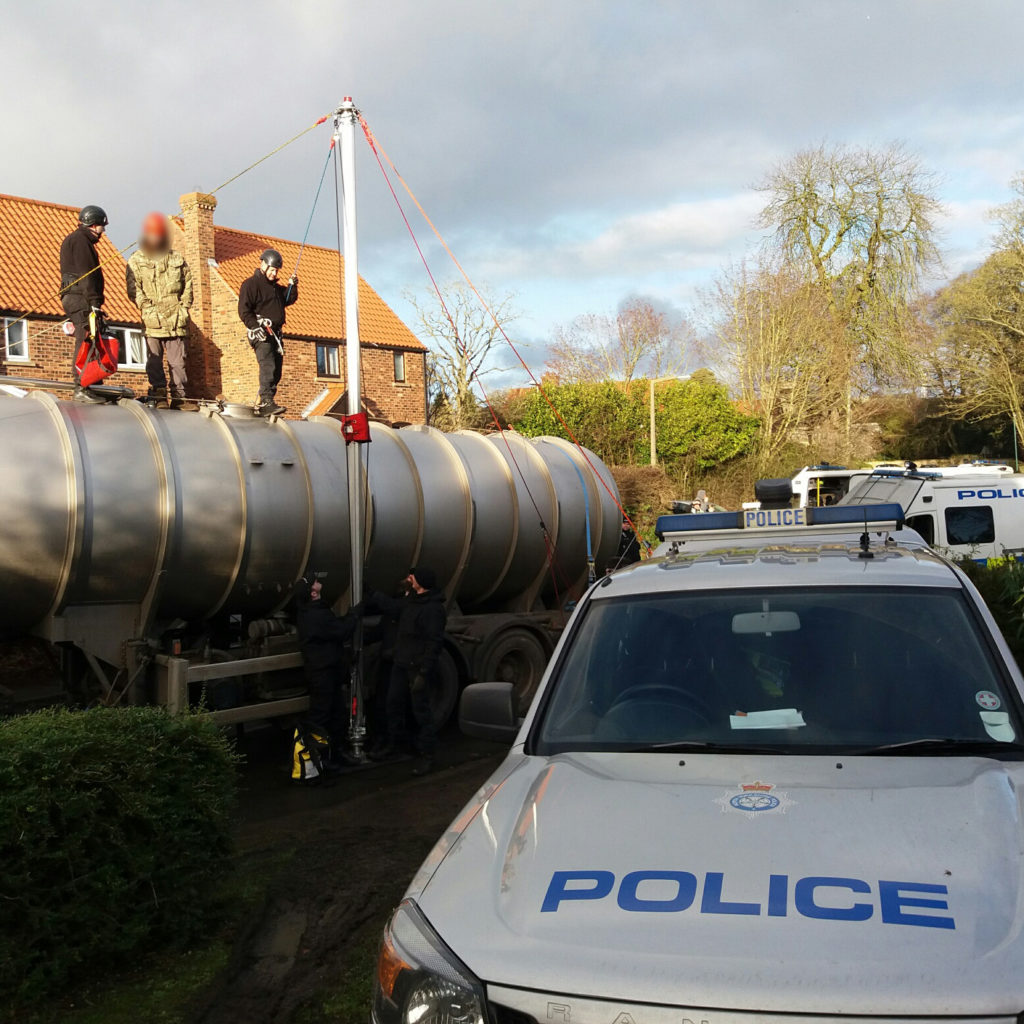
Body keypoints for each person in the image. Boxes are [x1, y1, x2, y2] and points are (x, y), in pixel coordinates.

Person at [368, 567, 447, 775]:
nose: (409, 579)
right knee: (392, 705)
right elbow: (393, 607)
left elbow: (434, 643)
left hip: (416, 668)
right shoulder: (411, 601)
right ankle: (396, 745)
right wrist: (373, 594)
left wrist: (423, 673)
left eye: (412, 577)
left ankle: (427, 755)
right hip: (401, 665)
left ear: (421, 582)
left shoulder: (433, 610)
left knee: (421, 712)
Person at [294, 572, 361, 777]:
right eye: (315, 582)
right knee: (321, 716)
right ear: (313, 592)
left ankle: (335, 753)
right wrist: (354, 615)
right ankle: (321, 759)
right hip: (322, 674)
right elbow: (340, 631)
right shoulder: (316, 614)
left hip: (327, 672)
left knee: (336, 714)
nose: (318, 582)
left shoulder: (312, 612)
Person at [125, 212, 193, 407]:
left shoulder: (177, 258)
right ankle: (159, 395)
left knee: (178, 362)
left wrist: (184, 308)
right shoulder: (136, 260)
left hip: (176, 319)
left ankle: (180, 398)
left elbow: (188, 285)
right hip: (152, 319)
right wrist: (147, 308)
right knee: (154, 361)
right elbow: (133, 289)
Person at [237, 249, 297, 417]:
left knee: (276, 370)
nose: (274, 273)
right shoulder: (250, 285)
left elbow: (288, 299)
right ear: (263, 265)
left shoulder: (276, 289)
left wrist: (292, 286)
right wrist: (255, 327)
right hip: (261, 332)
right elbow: (244, 310)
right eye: (272, 270)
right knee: (268, 365)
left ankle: (268, 401)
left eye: (276, 271)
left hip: (275, 335)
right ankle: (266, 400)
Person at [59, 205, 108, 403]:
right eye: (102, 226)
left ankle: (91, 383)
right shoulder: (81, 241)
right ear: (93, 224)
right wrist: (95, 302)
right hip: (80, 297)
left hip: (75, 296)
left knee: (91, 337)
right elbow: (87, 274)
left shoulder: (75, 239)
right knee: (86, 337)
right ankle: (82, 386)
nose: (103, 230)